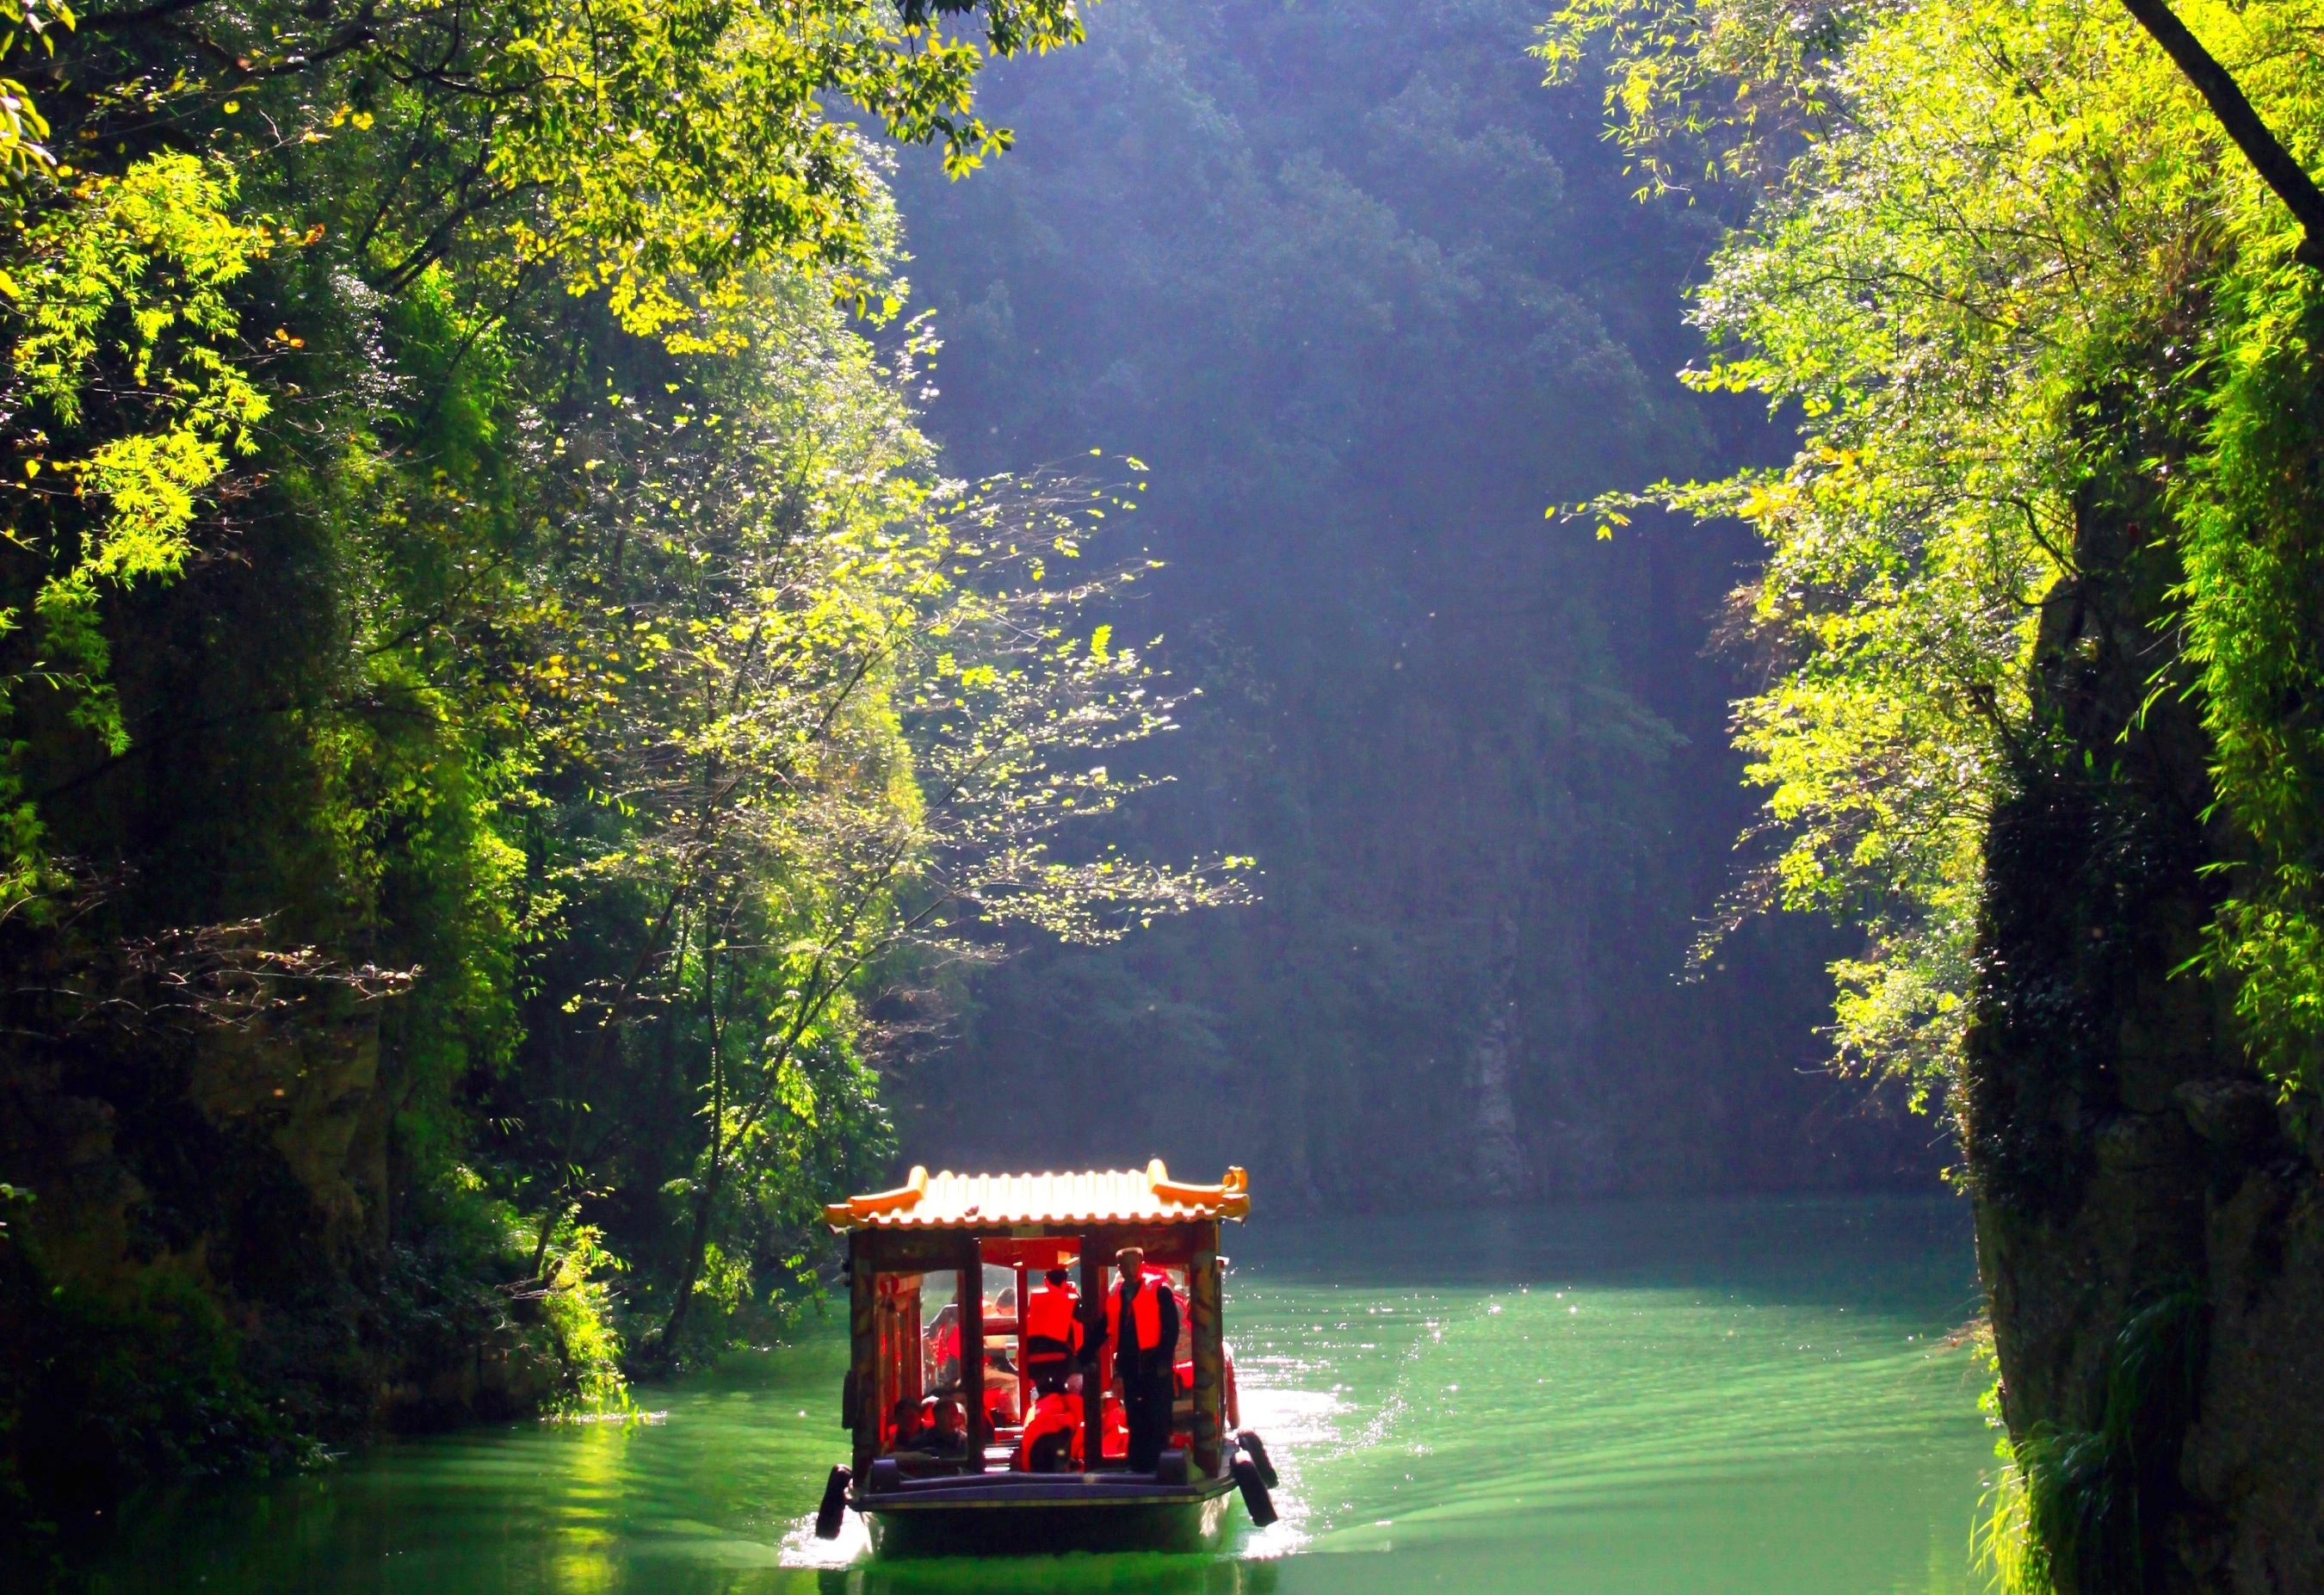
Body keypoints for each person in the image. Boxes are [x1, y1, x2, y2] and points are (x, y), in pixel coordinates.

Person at [1105, 1246, 1181, 1472]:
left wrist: (1164, 1361)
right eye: (1124, 1265)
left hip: (1155, 1364)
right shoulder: (1118, 1294)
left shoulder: (1160, 1290)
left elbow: (1171, 1329)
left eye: (1133, 1263)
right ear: (1118, 1268)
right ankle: (1137, 1464)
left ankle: (1160, 1463)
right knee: (1135, 1417)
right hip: (1130, 1367)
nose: (1130, 1269)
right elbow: (1106, 1327)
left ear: (1141, 1263)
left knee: (1158, 1414)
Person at [1023, 1265, 1083, 1392]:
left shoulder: (1034, 1297)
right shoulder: (1072, 1299)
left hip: (1034, 1358)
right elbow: (1082, 1320)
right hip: (1061, 1359)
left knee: (1042, 1392)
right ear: (1065, 1282)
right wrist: (1075, 1294)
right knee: (1061, 1391)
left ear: (1045, 1280)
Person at [1013, 1378, 1083, 1472]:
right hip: (1056, 1466)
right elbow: (1083, 1433)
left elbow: (1026, 1440)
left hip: (1031, 1468)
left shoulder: (1032, 1409)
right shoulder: (1072, 1402)